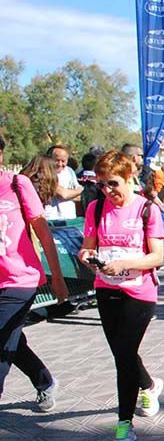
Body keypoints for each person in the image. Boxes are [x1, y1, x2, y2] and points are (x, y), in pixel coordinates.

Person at [78, 151, 164, 441]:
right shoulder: (95, 207)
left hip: (139, 292)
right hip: (106, 287)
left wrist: (127, 263)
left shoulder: (146, 209)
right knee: (122, 354)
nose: (107, 190)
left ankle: (124, 424)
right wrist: (89, 258)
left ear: (129, 178)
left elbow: (157, 256)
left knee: (125, 354)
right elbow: (88, 247)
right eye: (102, 184)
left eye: (113, 183)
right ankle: (150, 385)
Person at [0, 134, 67, 410]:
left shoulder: (17, 184)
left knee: (2, 342)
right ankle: (45, 381)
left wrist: (58, 278)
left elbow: (44, 233)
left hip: (19, 279)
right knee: (11, 338)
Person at [44, 145, 82, 220]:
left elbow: (79, 197)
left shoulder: (69, 171)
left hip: (70, 218)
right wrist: (78, 190)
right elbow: (63, 194)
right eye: (57, 160)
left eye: (63, 161)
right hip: (52, 219)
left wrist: (70, 193)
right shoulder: (45, 173)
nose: (60, 164)